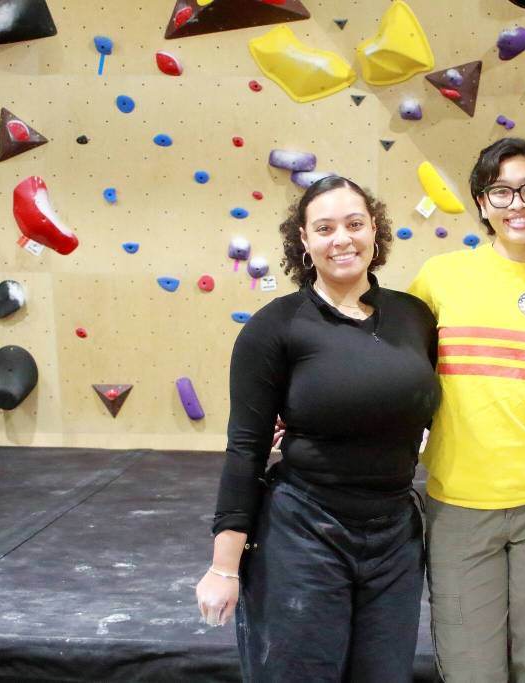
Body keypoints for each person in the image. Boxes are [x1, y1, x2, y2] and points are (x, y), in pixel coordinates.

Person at [195, 175, 441, 682]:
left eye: (354, 224)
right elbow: (245, 449)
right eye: (324, 228)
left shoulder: (415, 318)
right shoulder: (274, 328)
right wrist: (223, 567)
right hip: (303, 532)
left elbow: (430, 407)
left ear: (375, 230)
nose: (341, 239)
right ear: (304, 241)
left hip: (395, 536)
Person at [408, 137, 525, 682]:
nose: (519, 204)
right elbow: (392, 368)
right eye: (502, 191)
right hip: (458, 505)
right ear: (482, 203)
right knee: (470, 670)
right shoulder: (441, 278)